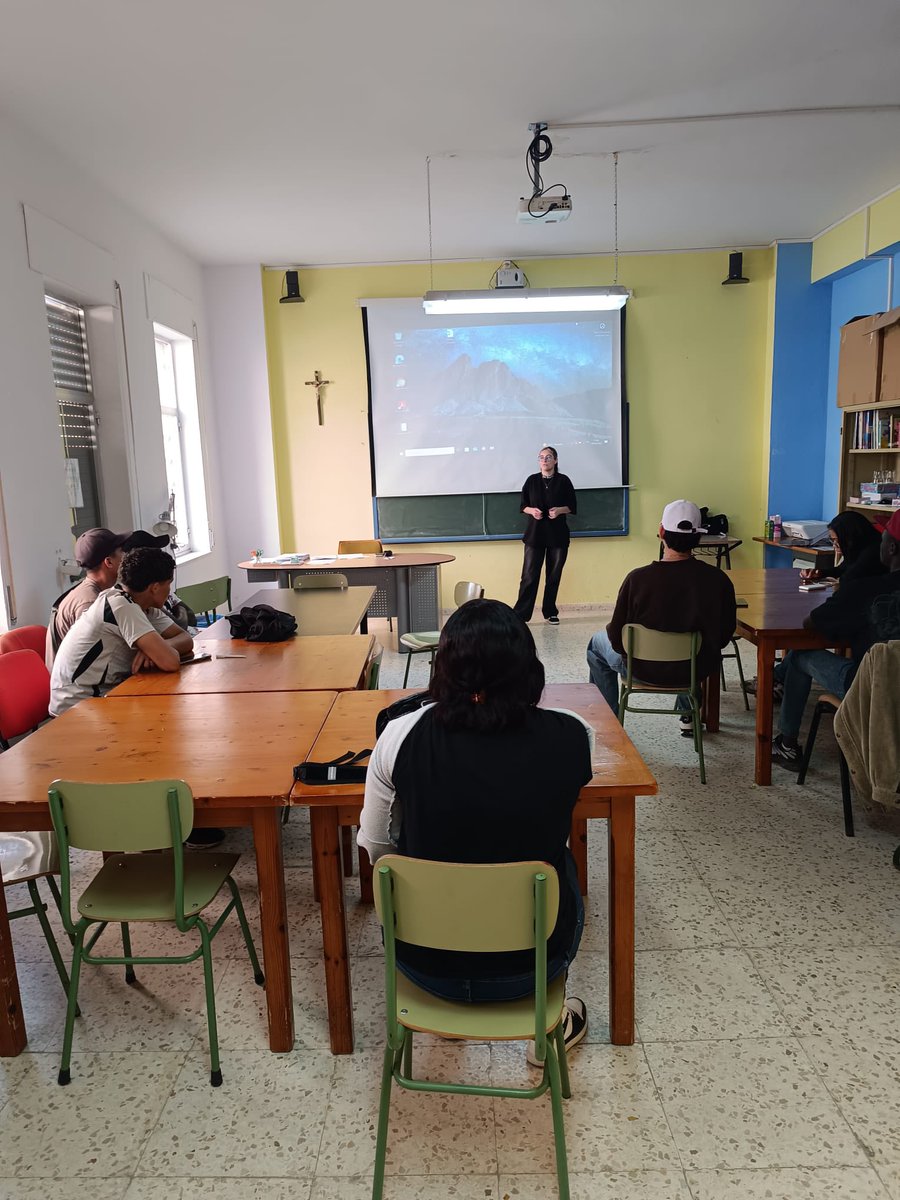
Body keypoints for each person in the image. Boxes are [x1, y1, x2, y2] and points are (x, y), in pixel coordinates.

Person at [358, 598, 592, 1060]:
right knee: (561, 859)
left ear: (441, 665)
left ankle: (445, 1013)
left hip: (423, 962)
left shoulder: (398, 736)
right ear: (530, 666)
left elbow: (378, 850)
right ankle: (546, 1024)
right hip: (530, 965)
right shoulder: (573, 734)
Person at [773, 507, 900, 770]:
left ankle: (786, 743)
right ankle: (777, 680)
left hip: (871, 687)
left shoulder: (865, 590)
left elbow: (813, 622)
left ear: (891, 549)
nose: (880, 538)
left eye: (884, 535)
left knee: (801, 653)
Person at [587, 500, 737, 715]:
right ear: (699, 536)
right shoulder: (718, 580)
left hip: (640, 669)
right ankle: (687, 714)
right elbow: (722, 637)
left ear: (661, 532)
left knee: (595, 644)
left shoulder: (637, 580)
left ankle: (609, 717)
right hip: (693, 670)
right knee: (696, 648)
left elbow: (616, 636)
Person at [50, 546, 194, 717]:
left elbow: (186, 639)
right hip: (76, 708)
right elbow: (170, 662)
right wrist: (160, 650)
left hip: (104, 696)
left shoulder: (142, 604)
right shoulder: (121, 606)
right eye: (168, 584)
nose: (170, 591)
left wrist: (158, 648)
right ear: (154, 587)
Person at [45, 528, 132, 666]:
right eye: (122, 551)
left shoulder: (92, 591)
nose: (126, 556)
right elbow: (96, 658)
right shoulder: (90, 602)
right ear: (108, 562)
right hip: (79, 685)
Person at [513, 446, 576, 625]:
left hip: (558, 536)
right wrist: (531, 510)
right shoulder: (532, 481)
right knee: (529, 575)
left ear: (555, 460)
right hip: (535, 535)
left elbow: (572, 505)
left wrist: (560, 510)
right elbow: (522, 505)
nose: (544, 460)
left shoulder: (564, 481)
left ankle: (550, 611)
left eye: (548, 457)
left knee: (553, 575)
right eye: (541, 457)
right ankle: (521, 614)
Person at [798, 511, 886, 586]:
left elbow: (847, 578)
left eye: (837, 540)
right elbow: (842, 569)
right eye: (832, 540)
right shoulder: (858, 548)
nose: (834, 545)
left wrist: (836, 580)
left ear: (850, 537)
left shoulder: (874, 551)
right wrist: (819, 573)